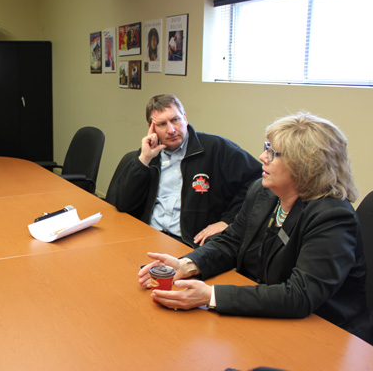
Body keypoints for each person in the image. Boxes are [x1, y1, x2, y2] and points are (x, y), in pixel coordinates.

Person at [137, 113, 372, 344]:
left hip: (325, 334)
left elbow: (300, 295)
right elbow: (231, 241)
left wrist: (210, 296)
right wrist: (187, 265)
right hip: (268, 314)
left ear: (305, 166)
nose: (262, 157)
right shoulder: (263, 191)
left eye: (273, 153)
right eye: (266, 148)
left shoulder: (332, 216)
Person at [107, 94, 262, 247]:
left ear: (185, 118)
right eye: (162, 124)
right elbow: (122, 204)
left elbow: (258, 182)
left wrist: (228, 221)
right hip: (146, 235)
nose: (172, 130)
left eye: (175, 120)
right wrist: (143, 161)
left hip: (189, 243)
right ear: (151, 128)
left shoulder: (217, 148)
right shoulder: (149, 155)